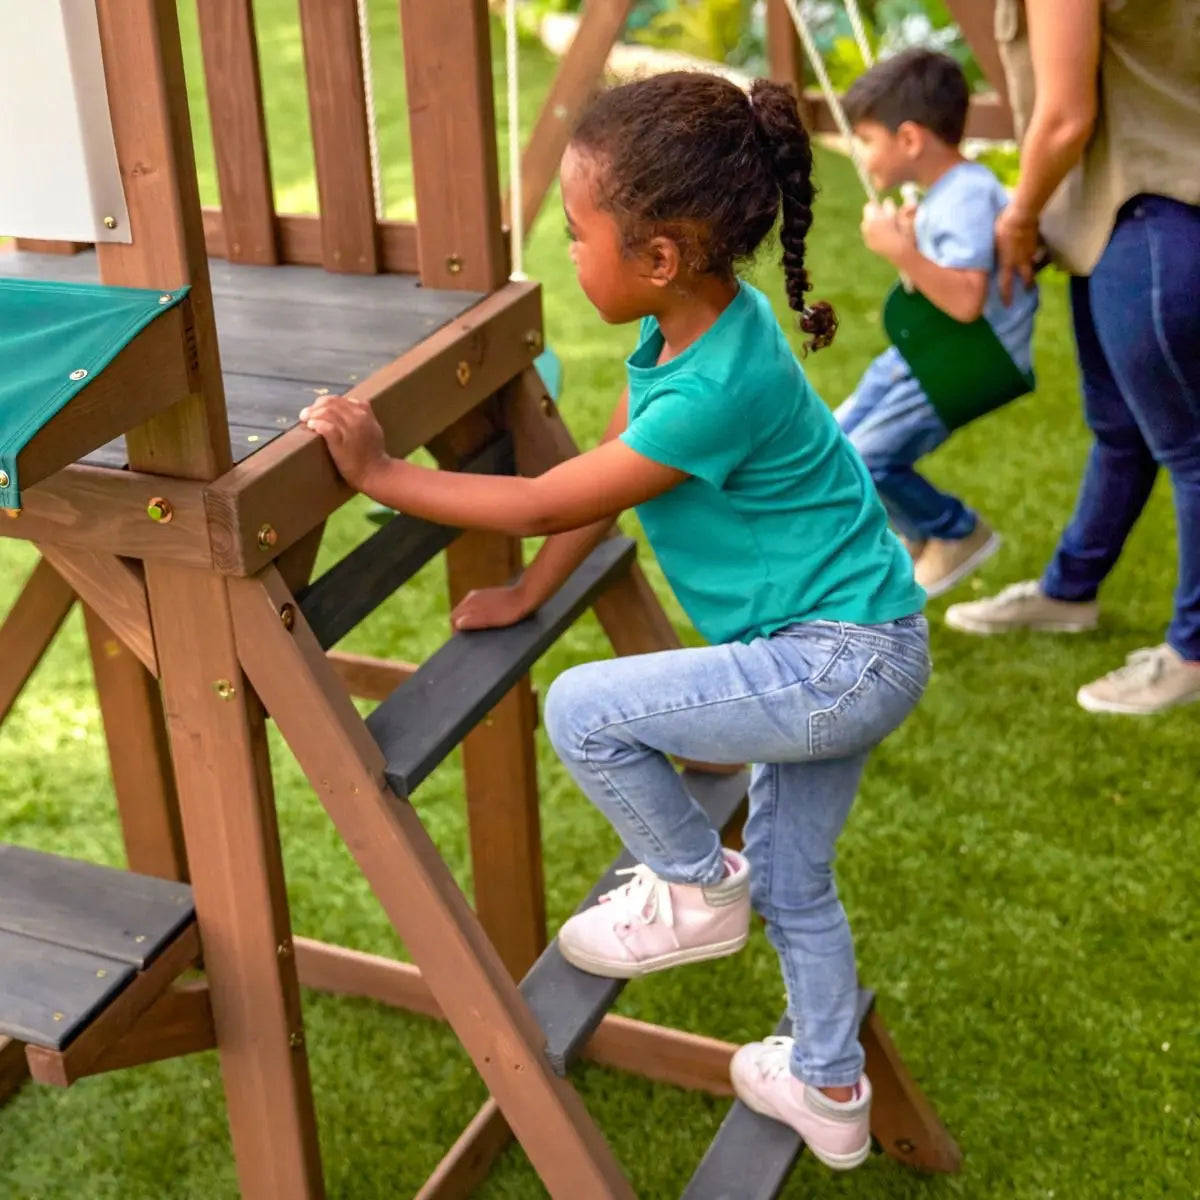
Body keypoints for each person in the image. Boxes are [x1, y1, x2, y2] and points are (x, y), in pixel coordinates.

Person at [301, 72, 929, 1170]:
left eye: (579, 234)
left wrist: (385, 474)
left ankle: (693, 888)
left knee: (586, 708)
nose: (568, 256)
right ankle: (830, 1084)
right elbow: (592, 487)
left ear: (660, 259)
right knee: (797, 881)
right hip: (863, 642)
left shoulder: (710, 392)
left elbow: (549, 497)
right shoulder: (701, 336)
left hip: (833, 660)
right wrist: (532, 593)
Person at [945, 0, 1200, 715]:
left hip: (1149, 215)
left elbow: (1063, 117)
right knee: (1121, 431)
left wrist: (1018, 217)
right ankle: (1068, 591)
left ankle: (1193, 650)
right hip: (1126, 214)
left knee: (1190, 448)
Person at [836, 47, 1038, 597]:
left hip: (966, 360)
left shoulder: (964, 196)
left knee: (869, 460)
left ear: (909, 139)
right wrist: (914, 240)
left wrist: (899, 252)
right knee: (836, 444)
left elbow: (967, 301)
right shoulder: (948, 195)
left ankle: (955, 531)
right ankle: (919, 533)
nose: (862, 155)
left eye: (868, 140)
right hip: (928, 352)